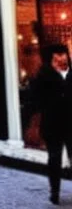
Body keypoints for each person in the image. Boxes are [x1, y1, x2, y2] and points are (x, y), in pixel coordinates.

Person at [30, 44, 72, 205]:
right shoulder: (43, 76)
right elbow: (35, 100)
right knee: (54, 159)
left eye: (64, 57)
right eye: (57, 58)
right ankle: (54, 191)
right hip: (52, 124)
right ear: (51, 60)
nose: (62, 61)